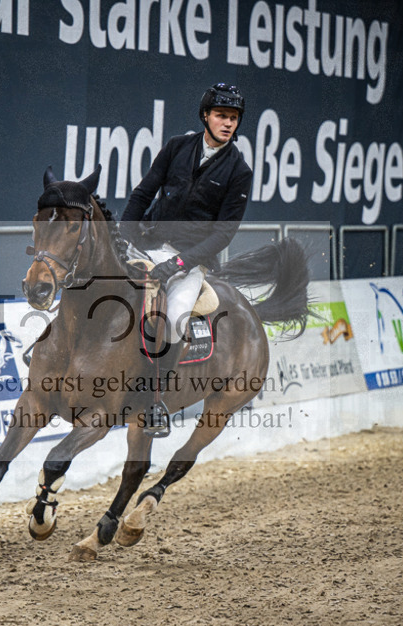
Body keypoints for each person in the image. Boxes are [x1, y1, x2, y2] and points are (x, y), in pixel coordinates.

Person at [119, 83, 253, 437]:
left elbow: (223, 235)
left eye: (234, 118)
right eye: (222, 116)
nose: (228, 123)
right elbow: (144, 192)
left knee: (174, 318)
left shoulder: (239, 170)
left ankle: (156, 402)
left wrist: (178, 266)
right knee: (98, 283)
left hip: (188, 261)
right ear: (206, 116)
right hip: (148, 243)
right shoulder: (177, 147)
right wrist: (125, 233)